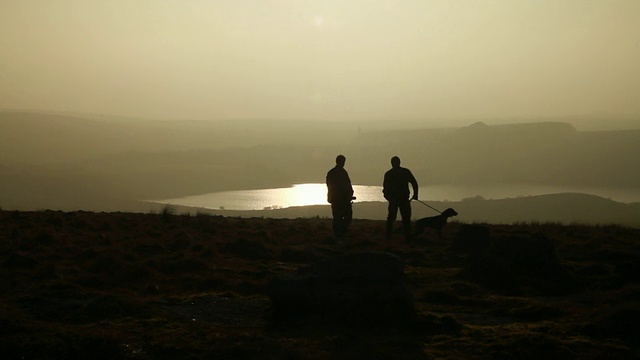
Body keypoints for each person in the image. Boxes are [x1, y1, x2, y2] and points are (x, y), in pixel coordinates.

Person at [383, 156, 418, 241]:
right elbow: (414, 183)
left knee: (393, 218)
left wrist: (388, 197)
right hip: (401, 199)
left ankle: (389, 237)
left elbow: (385, 188)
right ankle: (406, 237)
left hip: (398, 199)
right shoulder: (405, 172)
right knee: (404, 219)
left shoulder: (389, 173)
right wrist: (415, 195)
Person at [326, 154, 354, 239]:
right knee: (346, 216)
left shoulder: (331, 172)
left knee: (337, 217)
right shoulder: (342, 173)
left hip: (335, 198)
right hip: (341, 199)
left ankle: (338, 234)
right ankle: (340, 234)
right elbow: (346, 185)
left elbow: (329, 185)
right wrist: (349, 193)